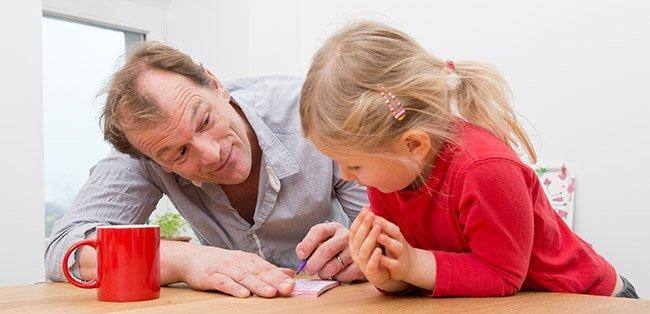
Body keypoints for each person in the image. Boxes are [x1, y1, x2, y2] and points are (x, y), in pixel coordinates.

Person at [298, 21, 639, 298]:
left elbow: (502, 276)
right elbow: (423, 277)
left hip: (587, 299)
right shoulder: (388, 175)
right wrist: (388, 275)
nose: (345, 175)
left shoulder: (485, 169)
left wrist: (413, 263)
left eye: (354, 165)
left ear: (413, 143)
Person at [45, 42, 368, 298]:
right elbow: (65, 250)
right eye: (179, 153)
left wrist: (362, 245)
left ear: (215, 85)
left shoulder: (309, 109)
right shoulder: (143, 152)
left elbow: (395, 226)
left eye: (205, 121)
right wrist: (185, 260)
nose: (212, 154)